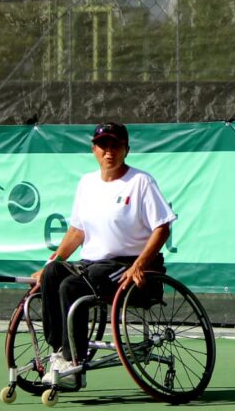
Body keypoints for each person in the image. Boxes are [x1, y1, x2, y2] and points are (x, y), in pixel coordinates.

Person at [32, 121, 176, 387]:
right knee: (53, 273)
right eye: (103, 145)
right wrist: (52, 262)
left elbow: (162, 228)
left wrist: (139, 265)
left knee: (72, 286)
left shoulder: (140, 182)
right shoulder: (86, 183)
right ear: (94, 149)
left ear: (126, 150)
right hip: (92, 264)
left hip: (128, 264)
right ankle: (59, 353)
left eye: (115, 145)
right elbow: (77, 231)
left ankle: (73, 364)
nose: (109, 151)